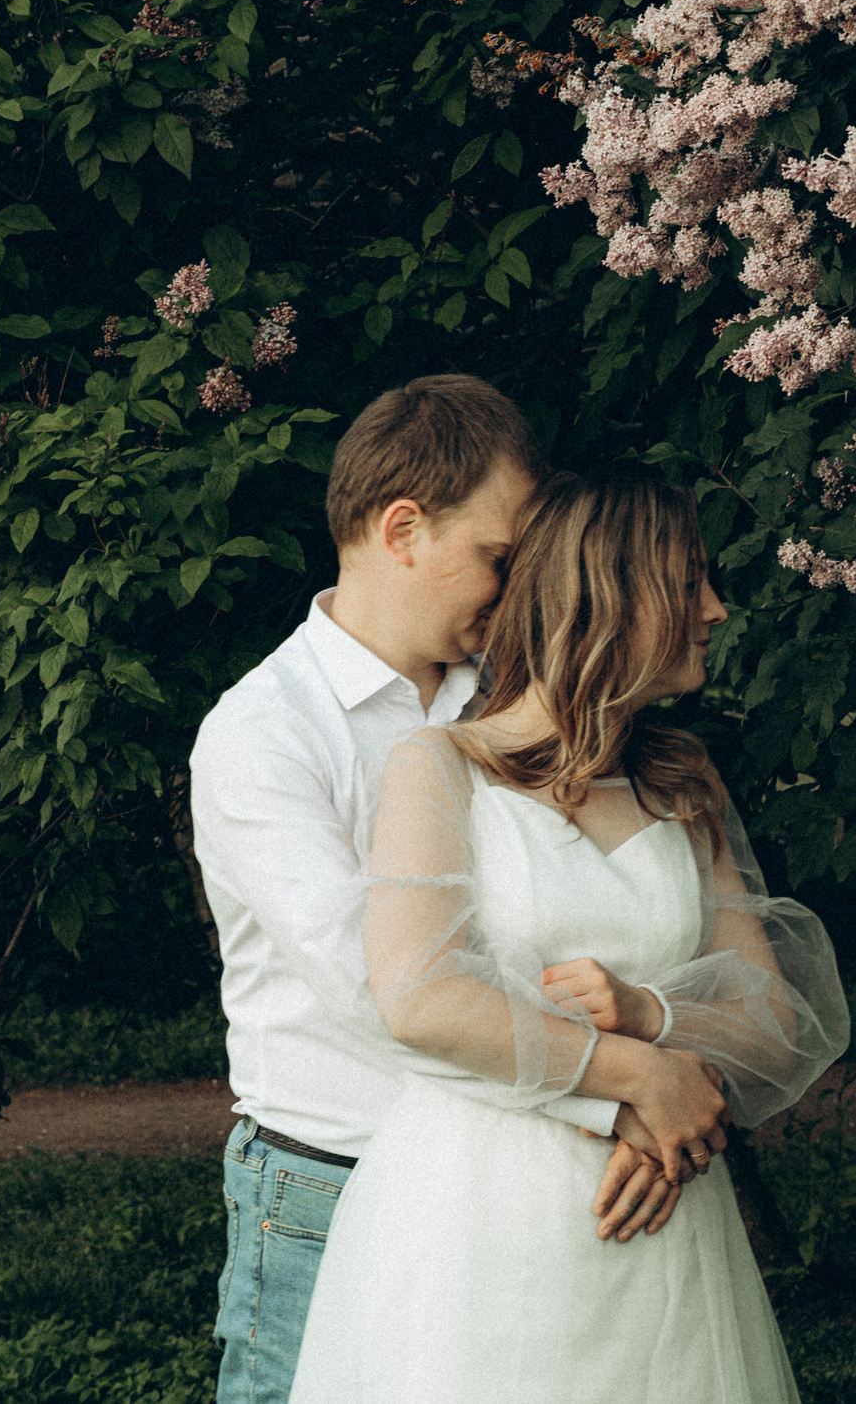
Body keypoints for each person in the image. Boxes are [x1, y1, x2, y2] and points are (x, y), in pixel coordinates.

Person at [190, 379, 733, 1404]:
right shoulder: (263, 736)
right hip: (331, 1183)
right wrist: (618, 1090)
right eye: (497, 555)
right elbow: (379, 989)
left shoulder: (504, 709)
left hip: (512, 1185)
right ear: (403, 529)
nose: (518, 582)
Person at [288, 468, 851, 1404]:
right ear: (612, 593)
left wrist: (653, 1015)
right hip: (478, 1224)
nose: (716, 608)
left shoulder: (684, 782)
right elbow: (421, 999)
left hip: (664, 1228)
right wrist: (639, 1078)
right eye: (689, 581)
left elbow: (773, 1020)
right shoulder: (440, 769)